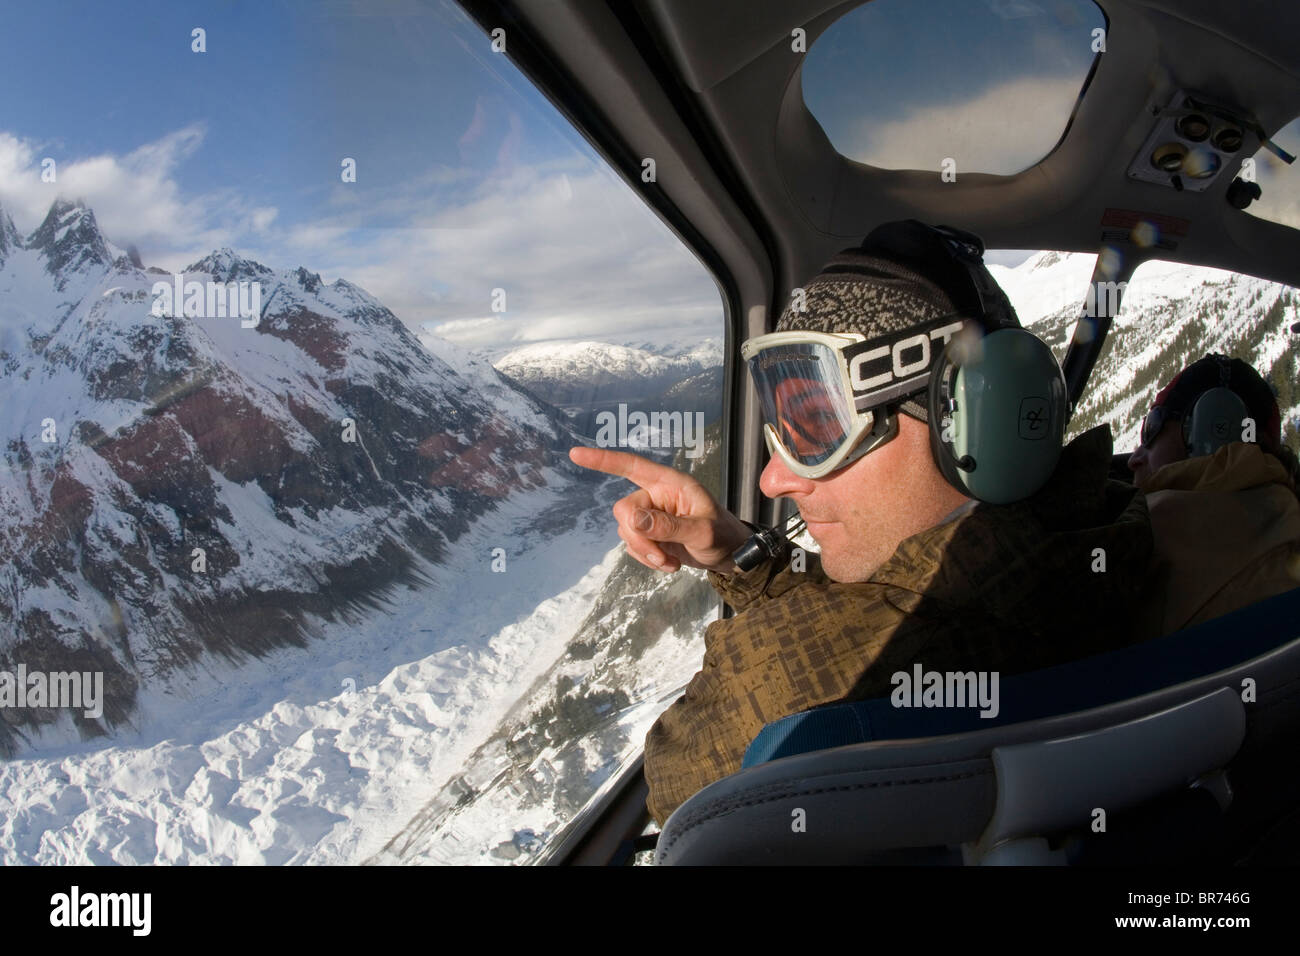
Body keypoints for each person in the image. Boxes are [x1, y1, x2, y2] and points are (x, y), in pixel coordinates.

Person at [571, 221, 1153, 825]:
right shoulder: (1105, 528)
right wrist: (736, 555)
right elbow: (890, 599)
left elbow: (674, 776)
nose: (774, 480)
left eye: (817, 425)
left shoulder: (796, 690)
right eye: (779, 427)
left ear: (979, 421)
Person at [1126, 354, 1300, 637]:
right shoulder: (1287, 522)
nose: (1134, 459)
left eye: (1152, 428)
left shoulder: (1141, 537)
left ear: (1211, 427)